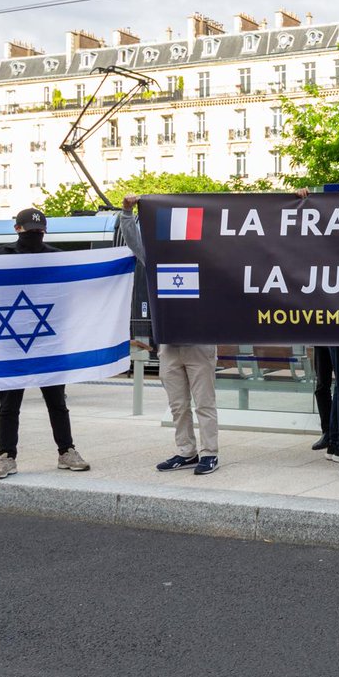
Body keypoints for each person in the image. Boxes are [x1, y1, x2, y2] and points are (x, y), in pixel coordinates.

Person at [0, 209, 89, 480]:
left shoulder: (56, 258)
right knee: (8, 404)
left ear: (45, 231)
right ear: (16, 229)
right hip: (10, 342)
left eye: (38, 230)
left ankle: (66, 450)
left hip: (49, 342)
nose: (34, 234)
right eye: (30, 229)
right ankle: (6, 456)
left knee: (57, 402)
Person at [121, 195, 220, 475]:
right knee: (178, 405)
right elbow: (133, 241)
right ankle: (186, 451)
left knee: (204, 403)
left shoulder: (210, 260)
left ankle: (210, 452)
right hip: (168, 344)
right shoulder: (156, 258)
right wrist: (127, 212)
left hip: (199, 342)